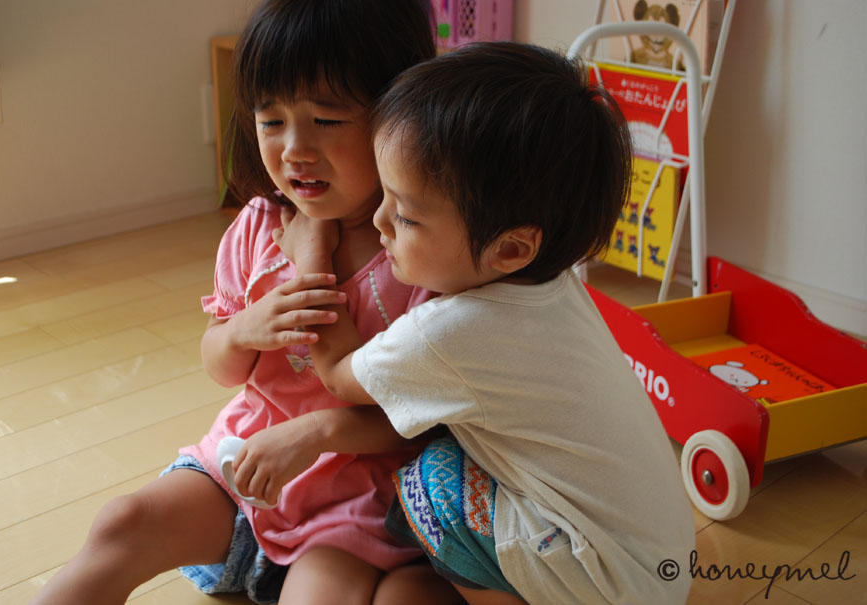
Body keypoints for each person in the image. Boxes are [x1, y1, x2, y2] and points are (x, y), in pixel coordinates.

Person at [30, 1, 463, 604]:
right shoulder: (259, 226)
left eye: (327, 119)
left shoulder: (426, 257)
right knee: (123, 523)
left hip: (353, 501)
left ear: (400, 116)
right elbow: (220, 363)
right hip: (241, 468)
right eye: (271, 120)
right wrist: (241, 331)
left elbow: (424, 419)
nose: (295, 149)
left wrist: (314, 433)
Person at [268, 42, 696, 604]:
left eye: (405, 214)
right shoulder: (558, 285)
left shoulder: (449, 333)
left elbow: (339, 375)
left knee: (431, 481)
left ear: (511, 248)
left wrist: (310, 256)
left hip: (599, 578)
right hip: (660, 564)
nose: (378, 221)